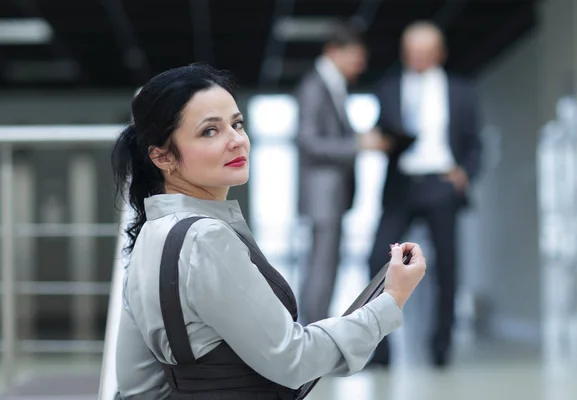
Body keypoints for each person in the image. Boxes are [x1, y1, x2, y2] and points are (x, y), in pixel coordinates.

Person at [112, 64, 427, 399]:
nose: (236, 141)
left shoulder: (148, 237)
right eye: (209, 131)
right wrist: (391, 299)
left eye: (237, 124)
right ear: (163, 157)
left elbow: (137, 387)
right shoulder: (206, 239)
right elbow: (293, 358)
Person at [367, 21, 482, 368]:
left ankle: (441, 346)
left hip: (441, 185)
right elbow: (384, 131)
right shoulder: (388, 87)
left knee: (446, 267)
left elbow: (476, 144)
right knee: (378, 262)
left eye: (423, 51)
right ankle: (380, 349)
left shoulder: (461, 90)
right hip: (401, 184)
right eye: (410, 51)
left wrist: (464, 173)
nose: (416, 57)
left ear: (439, 53)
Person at [295, 21, 390, 325]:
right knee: (321, 266)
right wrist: (358, 143)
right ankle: (314, 330)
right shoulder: (314, 86)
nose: (358, 67)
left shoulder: (332, 86)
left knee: (327, 264)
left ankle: (318, 327)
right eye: (355, 59)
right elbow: (308, 142)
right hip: (322, 194)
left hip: (333, 194)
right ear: (334, 51)